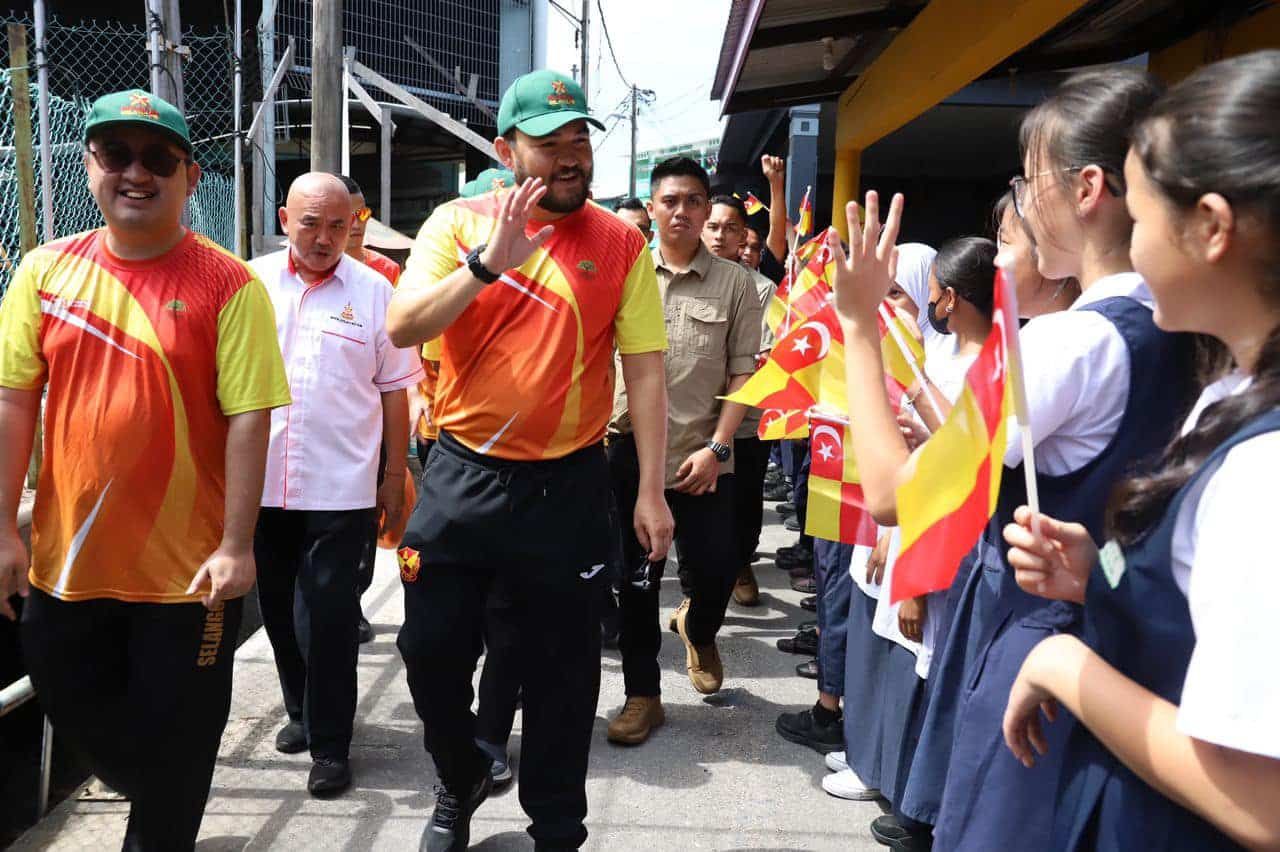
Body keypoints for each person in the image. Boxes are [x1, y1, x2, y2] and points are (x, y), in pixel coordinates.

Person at [830, 65, 1195, 852]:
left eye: (1027, 186)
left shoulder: (1068, 344)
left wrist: (859, 326)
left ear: (1088, 188)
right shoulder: (1182, 327)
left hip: (1044, 643)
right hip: (1133, 640)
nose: (1022, 208)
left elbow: (896, 493)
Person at [387, 69, 673, 851]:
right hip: (463, 475)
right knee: (429, 653)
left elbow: (645, 369)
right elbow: (404, 326)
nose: (572, 155)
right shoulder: (454, 223)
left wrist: (650, 490)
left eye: (580, 138)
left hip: (568, 487)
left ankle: (557, 827)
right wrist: (487, 263)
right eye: (551, 143)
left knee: (564, 675)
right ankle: (461, 774)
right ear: (508, 149)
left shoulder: (620, 243)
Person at [1002, 50, 1280, 852]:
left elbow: (1258, 796)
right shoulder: (1229, 392)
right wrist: (1102, 573)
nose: (1127, 233)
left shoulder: (1264, 468)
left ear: (1212, 227)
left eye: (1143, 209)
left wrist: (1062, 665)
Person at [0, 89, 290, 849]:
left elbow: (250, 418)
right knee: (74, 705)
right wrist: (3, 527)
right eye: (116, 154)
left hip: (186, 578)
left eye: (158, 158)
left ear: (190, 176)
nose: (137, 172)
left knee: (183, 745)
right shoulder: (43, 272)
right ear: (90, 165)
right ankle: (153, 790)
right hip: (68, 565)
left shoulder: (230, 285)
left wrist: (237, 544)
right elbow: (12, 404)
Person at [250, 172, 422, 797]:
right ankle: (300, 711)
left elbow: (396, 392)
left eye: (337, 225)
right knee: (275, 611)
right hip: (261, 484)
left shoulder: (377, 291)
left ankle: (331, 744)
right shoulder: (250, 284)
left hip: (343, 486)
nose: (324, 238)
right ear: (284, 218)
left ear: (354, 222)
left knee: (325, 618)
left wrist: (393, 475)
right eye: (309, 224)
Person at [607, 156, 762, 744]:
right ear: (652, 208)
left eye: (693, 201)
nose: (681, 212)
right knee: (638, 582)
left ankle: (698, 626)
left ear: (707, 209)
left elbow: (746, 372)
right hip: (626, 455)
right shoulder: (625, 273)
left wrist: (720, 448)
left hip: (704, 458)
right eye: (669, 201)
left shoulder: (736, 282)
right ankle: (642, 696)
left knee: (721, 568)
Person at [338, 174, 405, 645]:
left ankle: (353, 599)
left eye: (363, 214)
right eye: (350, 217)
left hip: (373, 417)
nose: (359, 225)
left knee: (367, 516)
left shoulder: (386, 273)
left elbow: (400, 352)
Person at [702, 192, 776, 607]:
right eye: (713, 226)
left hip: (744, 424)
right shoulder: (672, 278)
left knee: (745, 508)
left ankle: (741, 561)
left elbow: (761, 358)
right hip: (691, 419)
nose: (720, 236)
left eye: (731, 228)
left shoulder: (762, 289)